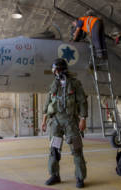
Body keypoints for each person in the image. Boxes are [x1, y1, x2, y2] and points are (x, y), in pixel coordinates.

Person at [42, 58, 88, 188]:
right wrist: (44, 120)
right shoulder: (53, 85)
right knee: (54, 149)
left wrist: (83, 119)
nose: (55, 72)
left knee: (77, 149)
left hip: (70, 122)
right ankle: (54, 175)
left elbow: (82, 102)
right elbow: (47, 104)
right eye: (54, 70)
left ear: (61, 70)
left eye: (56, 70)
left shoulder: (75, 84)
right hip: (56, 122)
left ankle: (80, 177)